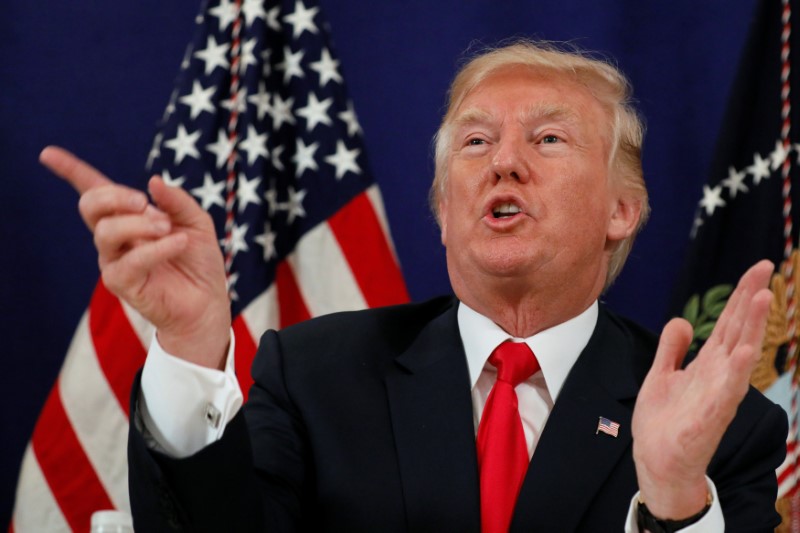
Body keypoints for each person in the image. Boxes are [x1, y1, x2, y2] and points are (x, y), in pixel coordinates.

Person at [42, 40, 787, 532]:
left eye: (549, 139)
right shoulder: (312, 375)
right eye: (475, 141)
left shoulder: (723, 422)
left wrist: (676, 501)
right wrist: (188, 341)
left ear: (622, 210)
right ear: (441, 207)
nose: (504, 163)